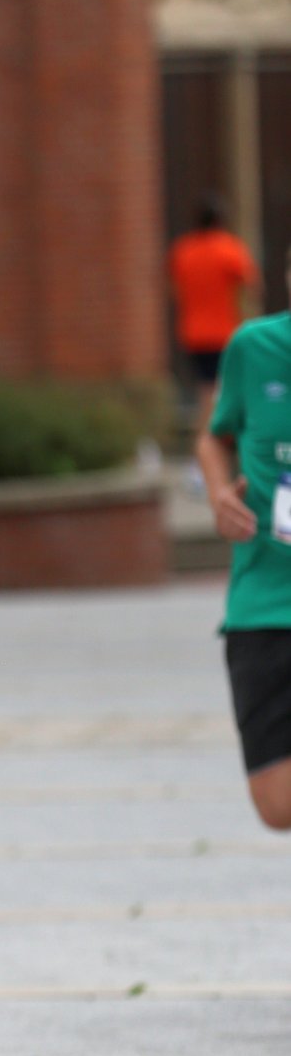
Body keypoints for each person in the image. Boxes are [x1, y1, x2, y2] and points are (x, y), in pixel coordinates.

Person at [197, 240, 291, 831]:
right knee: (277, 806)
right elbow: (215, 435)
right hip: (264, 601)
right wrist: (217, 493)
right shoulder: (253, 347)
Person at [169, 196, 261, 430]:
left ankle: (208, 436)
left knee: (206, 388)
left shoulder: (183, 251)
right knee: (219, 389)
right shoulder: (228, 249)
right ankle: (210, 438)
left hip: (192, 332)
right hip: (223, 331)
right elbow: (252, 287)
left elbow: (174, 290)